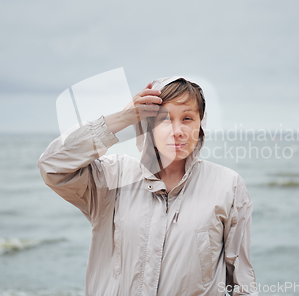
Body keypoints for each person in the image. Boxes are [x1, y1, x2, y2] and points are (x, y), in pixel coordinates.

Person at [37, 76, 257, 296]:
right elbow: (52, 164)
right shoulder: (113, 177)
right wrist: (122, 119)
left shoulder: (228, 185)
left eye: (187, 118)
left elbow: (242, 282)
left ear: (201, 125)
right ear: (147, 125)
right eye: (165, 119)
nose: (177, 130)